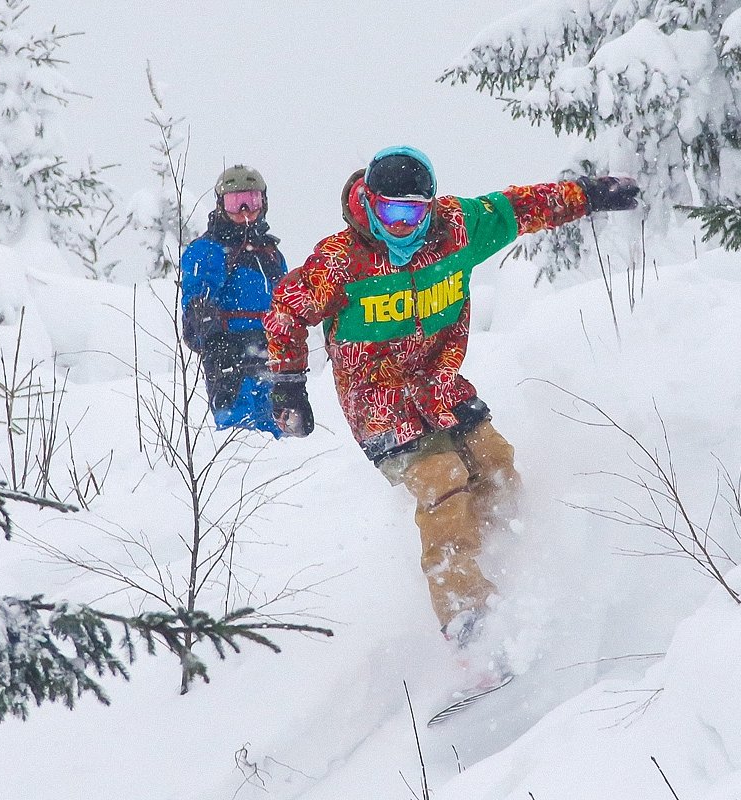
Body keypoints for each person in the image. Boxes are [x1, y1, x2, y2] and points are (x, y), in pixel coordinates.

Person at [263, 145, 639, 674]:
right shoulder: (340, 260)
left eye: (412, 212)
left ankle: (513, 569)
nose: (400, 225)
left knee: (496, 466)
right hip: (378, 398)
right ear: (369, 204)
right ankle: (468, 622)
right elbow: (284, 310)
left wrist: (589, 195)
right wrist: (287, 384)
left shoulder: (456, 231)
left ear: (430, 207)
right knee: (443, 481)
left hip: (440, 386)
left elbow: (520, 207)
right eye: (389, 211)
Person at [181, 164, 292, 436]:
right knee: (240, 435)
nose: (245, 211)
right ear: (221, 205)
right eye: (235, 202)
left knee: (279, 434)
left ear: (263, 202)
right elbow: (195, 302)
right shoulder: (209, 249)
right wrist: (205, 323)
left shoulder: (271, 254)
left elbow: (286, 301)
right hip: (230, 355)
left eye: (251, 201)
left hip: (271, 354)